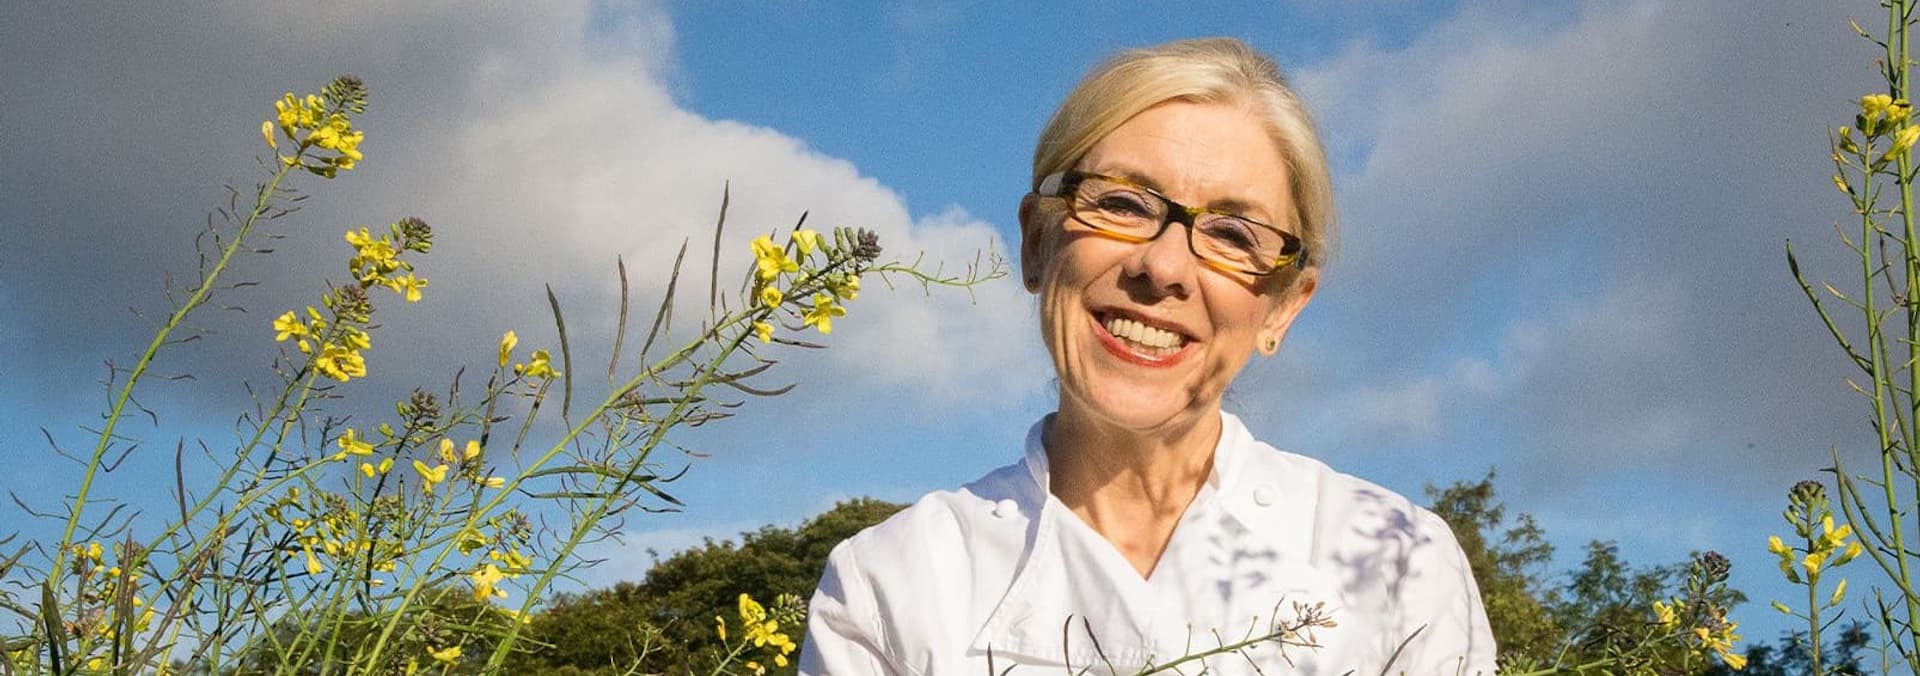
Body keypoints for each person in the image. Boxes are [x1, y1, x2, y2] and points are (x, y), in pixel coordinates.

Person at [800, 37, 1495, 675]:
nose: (1163, 267)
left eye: (1233, 234)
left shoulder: (1400, 567)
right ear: (1037, 244)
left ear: (1283, 306)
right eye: (1124, 204)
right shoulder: (892, 586)